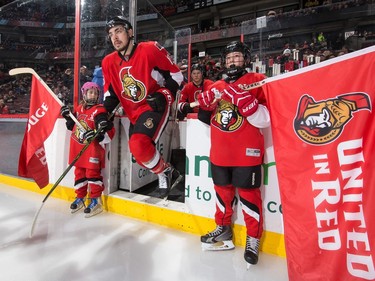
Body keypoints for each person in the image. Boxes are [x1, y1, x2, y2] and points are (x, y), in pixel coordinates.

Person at [196, 41, 270, 266]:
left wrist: (250, 106)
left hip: (247, 154)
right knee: (221, 195)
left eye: (236, 57)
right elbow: (208, 121)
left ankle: (253, 238)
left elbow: (266, 119)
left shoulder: (257, 81)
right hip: (220, 153)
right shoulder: (216, 85)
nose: (232, 61)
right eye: (228, 58)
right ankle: (223, 229)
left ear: (246, 59)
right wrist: (204, 108)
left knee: (249, 197)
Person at [101, 16, 184, 198]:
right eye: (111, 34)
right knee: (139, 153)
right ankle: (166, 170)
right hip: (133, 113)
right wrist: (102, 113)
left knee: (138, 144)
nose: (114, 37)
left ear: (130, 32)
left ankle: (163, 173)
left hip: (154, 106)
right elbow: (111, 94)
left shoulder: (150, 49)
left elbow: (177, 76)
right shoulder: (108, 62)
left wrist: (165, 95)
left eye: (119, 31)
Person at [60, 82, 115, 218]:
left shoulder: (99, 109)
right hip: (78, 148)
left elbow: (101, 122)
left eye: (96, 93)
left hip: (92, 149)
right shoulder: (79, 109)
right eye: (90, 92)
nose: (93, 95)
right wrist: (67, 115)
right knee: (79, 174)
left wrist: (98, 131)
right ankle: (80, 197)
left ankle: (95, 199)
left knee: (92, 174)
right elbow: (71, 126)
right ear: (84, 94)